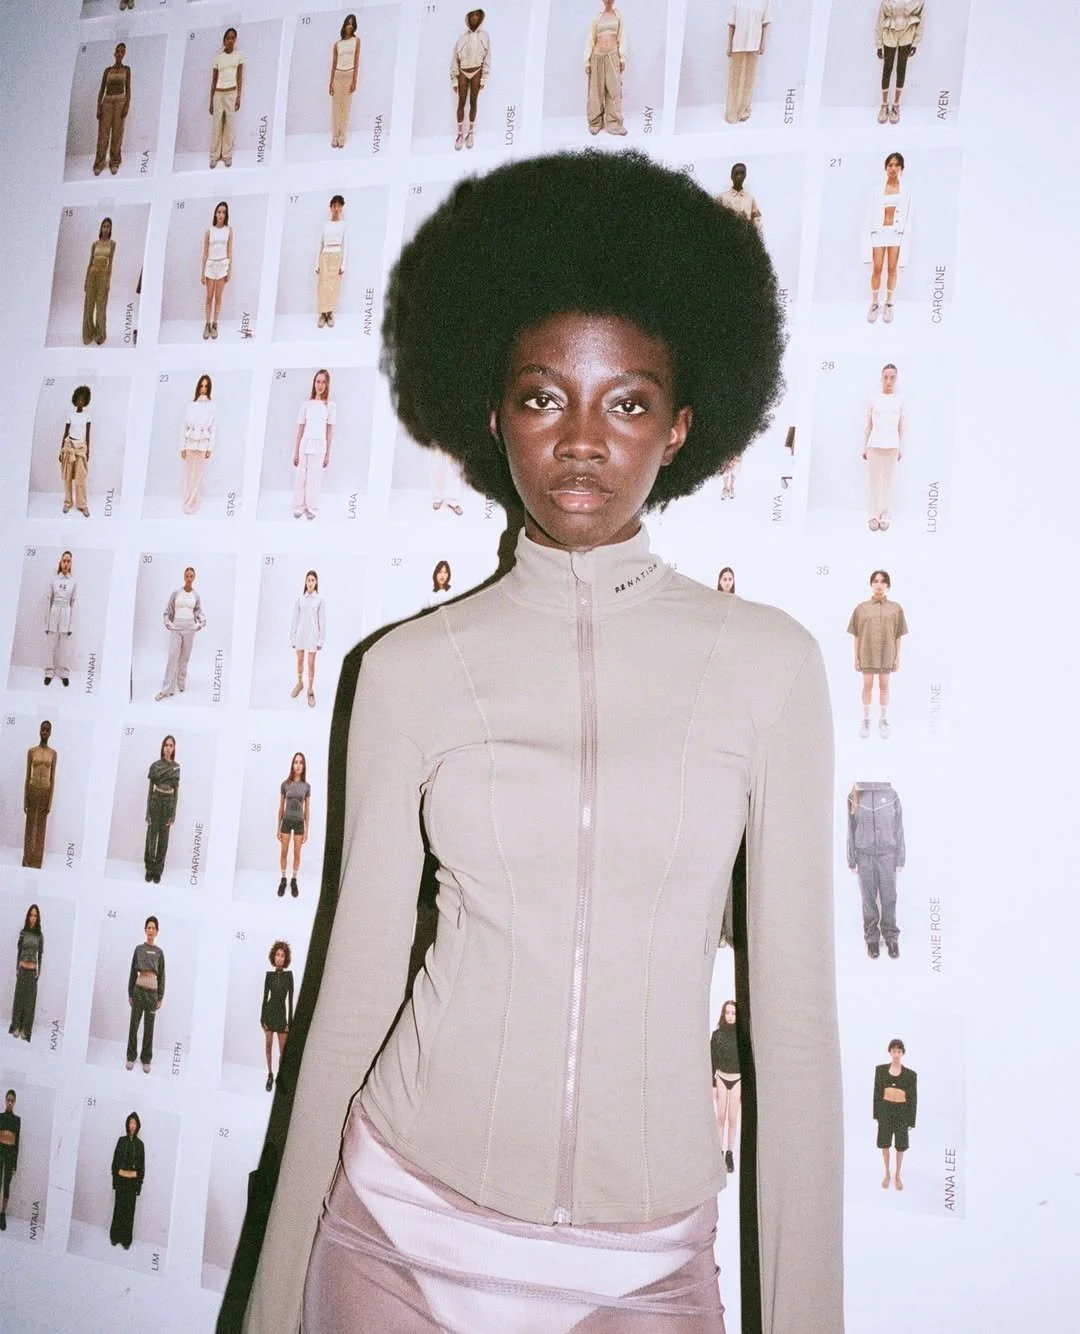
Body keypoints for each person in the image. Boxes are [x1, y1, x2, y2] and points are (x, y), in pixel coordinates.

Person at [242, 149, 842, 1334]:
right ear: (489, 412)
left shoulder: (770, 665)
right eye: (541, 394)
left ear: (679, 426)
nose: (581, 439)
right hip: (391, 1235)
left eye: (625, 400)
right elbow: (351, 998)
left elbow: (800, 1030)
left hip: (642, 1269)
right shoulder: (404, 671)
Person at [847, 569, 908, 739]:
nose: (878, 584)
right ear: (871, 584)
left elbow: (898, 635)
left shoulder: (895, 609)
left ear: (887, 585)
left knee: (884, 686)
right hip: (866, 652)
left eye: (882, 581)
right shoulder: (861, 608)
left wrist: (897, 657)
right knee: (867, 685)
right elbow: (857, 635)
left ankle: (883, 719)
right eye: (875, 581)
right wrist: (856, 657)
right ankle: (866, 719)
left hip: (887, 652)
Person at [847, 782, 905, 959]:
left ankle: (891, 937)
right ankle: (872, 938)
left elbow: (899, 828)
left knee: (889, 897)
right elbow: (850, 829)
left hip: (887, 854)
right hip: (864, 855)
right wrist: (851, 860)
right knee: (868, 898)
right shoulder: (854, 795)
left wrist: (900, 857)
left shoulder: (891, 794)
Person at [865, 152, 912, 324]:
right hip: (879, 232)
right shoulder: (876, 190)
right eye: (890, 165)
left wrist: (903, 233)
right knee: (877, 268)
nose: (893, 168)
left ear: (901, 168)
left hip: (895, 233)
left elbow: (908, 216)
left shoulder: (905, 191)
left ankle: (889, 303)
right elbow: (869, 215)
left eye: (896, 165)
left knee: (892, 268)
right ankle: (875, 302)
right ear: (886, 168)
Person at [863, 362, 904, 530]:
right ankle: (873, 516)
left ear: (896, 379)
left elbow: (900, 426)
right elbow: (868, 425)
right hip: (874, 446)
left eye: (892, 377)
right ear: (881, 378)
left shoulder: (899, 401)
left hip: (892, 447)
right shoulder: (874, 400)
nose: (888, 380)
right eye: (885, 377)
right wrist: (864, 447)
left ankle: (885, 515)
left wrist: (900, 448)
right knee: (874, 482)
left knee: (888, 482)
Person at [156, 567, 206, 700]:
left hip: (189, 628)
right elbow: (168, 610)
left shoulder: (196, 595)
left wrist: (200, 623)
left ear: (194, 578)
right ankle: (167, 689)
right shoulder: (176, 593)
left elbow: (199, 611)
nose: (189, 579)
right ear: (184, 577)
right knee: (173, 657)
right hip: (176, 628)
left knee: (184, 657)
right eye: (187, 576)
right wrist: (168, 623)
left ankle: (181, 682)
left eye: (191, 576)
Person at [873, 1039, 917, 1190]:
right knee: (884, 1144)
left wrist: (911, 1121)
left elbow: (913, 1098)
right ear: (890, 1052)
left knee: (900, 1146)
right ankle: (887, 1173)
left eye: (899, 1051)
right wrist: (877, 1115)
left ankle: (898, 1174)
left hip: (902, 1112)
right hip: (885, 1110)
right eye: (894, 1051)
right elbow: (877, 1094)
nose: (896, 1054)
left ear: (902, 1053)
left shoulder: (910, 1075)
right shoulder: (880, 1070)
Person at [293, 370, 335, 520]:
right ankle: (299, 506)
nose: (320, 385)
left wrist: (328, 454)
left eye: (324, 382)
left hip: (319, 447)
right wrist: (296, 452)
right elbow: (300, 430)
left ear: (327, 384)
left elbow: (329, 432)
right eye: (318, 381)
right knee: (301, 477)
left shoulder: (330, 406)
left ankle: (312, 507)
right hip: (305, 444)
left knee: (314, 478)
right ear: (314, 383)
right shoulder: (306, 405)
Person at [876, 1, 924, 124]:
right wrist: (878, 45)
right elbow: (880, 20)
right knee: (887, 69)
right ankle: (884, 105)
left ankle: (896, 105)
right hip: (889, 34)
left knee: (901, 69)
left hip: (907, 34)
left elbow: (922, 21)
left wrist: (915, 43)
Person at [126, 917, 164, 1073]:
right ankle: (130, 1056)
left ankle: (146, 1059)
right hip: (139, 991)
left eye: (153, 928)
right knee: (133, 1026)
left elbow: (162, 976)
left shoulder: (159, 952)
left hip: (152, 994)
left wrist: (160, 997)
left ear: (156, 931)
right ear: (145, 929)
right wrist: (130, 993)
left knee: (149, 1028)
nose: (150, 930)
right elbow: (132, 972)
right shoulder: (138, 949)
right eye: (148, 927)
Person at [585, 1, 627, 136]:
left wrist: (622, 58)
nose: (608, 0)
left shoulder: (618, 16)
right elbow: (591, 39)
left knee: (614, 90)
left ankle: (614, 124)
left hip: (612, 56)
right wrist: (587, 61)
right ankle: (595, 123)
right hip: (597, 57)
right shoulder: (597, 17)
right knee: (595, 92)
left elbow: (622, 37)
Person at [451, 9, 490, 150]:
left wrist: (484, 78)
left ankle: (471, 133)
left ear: (480, 18)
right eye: (472, 15)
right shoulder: (461, 38)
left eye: (477, 16)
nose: (474, 18)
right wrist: (454, 79)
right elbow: (454, 60)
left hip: (477, 72)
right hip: (462, 72)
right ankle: (460, 134)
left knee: (473, 102)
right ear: (468, 18)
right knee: (461, 103)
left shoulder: (484, 37)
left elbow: (487, 58)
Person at [726, 2, 771, 124]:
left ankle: (744, 110)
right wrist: (729, 45)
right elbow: (731, 24)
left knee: (749, 80)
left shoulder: (765, 2)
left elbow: (764, 25)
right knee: (734, 80)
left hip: (754, 44)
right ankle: (732, 112)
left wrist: (763, 44)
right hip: (738, 43)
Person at [710, 1000, 741, 1174]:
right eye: (727, 1012)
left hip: (737, 1079)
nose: (730, 1016)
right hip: (721, 1078)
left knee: (733, 1119)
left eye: (733, 1013)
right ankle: (718, 1152)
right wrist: (713, 1084)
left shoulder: (742, 1036)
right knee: (720, 1117)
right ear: (723, 1014)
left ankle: (729, 1153)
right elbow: (712, 1061)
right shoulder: (717, 1035)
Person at [144, 736, 180, 885]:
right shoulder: (155, 766)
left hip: (168, 804)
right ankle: (149, 868)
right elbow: (150, 790)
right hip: (156, 801)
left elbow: (176, 791)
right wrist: (148, 811)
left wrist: (173, 813)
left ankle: (158, 870)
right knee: (152, 838)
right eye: (166, 745)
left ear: (174, 749)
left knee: (163, 840)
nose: (168, 748)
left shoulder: (177, 767)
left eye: (171, 745)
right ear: (162, 747)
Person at [22, 722, 57, 870]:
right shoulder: (32, 751)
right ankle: (27, 859)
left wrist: (50, 802)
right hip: (33, 788)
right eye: (42, 729)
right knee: (30, 825)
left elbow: (52, 779)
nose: (44, 732)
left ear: (50, 733)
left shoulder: (53, 754)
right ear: (39, 731)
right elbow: (27, 775)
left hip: (45, 790)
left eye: (47, 730)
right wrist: (25, 799)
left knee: (41, 826)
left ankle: (37, 860)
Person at [262, 941, 295, 1092]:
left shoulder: (289, 976)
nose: (279, 958)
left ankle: (280, 1077)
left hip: (282, 1016)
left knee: (283, 1051)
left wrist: (290, 1021)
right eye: (277, 955)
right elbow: (265, 998)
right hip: (269, 1014)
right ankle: (270, 1075)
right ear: (273, 957)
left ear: (285, 958)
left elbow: (290, 1000)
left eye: (282, 955)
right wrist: (262, 1018)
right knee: (268, 1046)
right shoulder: (269, 976)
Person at [181, 375, 216, 514]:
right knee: (189, 474)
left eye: (206, 386)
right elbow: (183, 427)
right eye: (201, 385)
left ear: (209, 388)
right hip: (190, 443)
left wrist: (210, 448)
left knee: (199, 475)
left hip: (202, 443)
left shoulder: (212, 406)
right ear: (198, 387)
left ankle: (194, 502)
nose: (203, 388)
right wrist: (182, 447)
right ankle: (187, 500)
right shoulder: (191, 405)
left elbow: (213, 429)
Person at [277, 753, 311, 898]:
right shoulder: (285, 784)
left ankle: (294, 880)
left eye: (301, 762)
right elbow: (281, 807)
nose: (298, 765)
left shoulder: (306, 786)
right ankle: (284, 879)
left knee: (297, 853)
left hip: (299, 824)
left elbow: (307, 809)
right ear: (292, 765)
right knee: (284, 852)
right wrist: (278, 827)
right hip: (286, 821)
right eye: (295, 762)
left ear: (303, 766)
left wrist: (307, 829)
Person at [209, 28, 244, 169]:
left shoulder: (239, 56)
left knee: (229, 125)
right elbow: (214, 80)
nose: (230, 40)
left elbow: (239, 77)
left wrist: (238, 96)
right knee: (217, 125)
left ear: (235, 39)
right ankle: (214, 156)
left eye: (233, 38)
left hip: (231, 94)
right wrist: (211, 101)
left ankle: (227, 156)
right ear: (224, 40)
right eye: (228, 38)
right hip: (218, 94)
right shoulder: (217, 58)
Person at [94, 43, 130, 176]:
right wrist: (98, 106)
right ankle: (99, 163)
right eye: (118, 51)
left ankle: (114, 162)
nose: (120, 53)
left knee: (117, 134)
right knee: (103, 134)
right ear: (114, 53)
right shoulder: (107, 70)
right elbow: (102, 89)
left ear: (124, 54)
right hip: (107, 102)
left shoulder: (127, 69)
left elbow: (128, 89)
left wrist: (127, 105)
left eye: (122, 51)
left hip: (120, 101)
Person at [290, 572, 326, 706]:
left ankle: (310, 690)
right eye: (308, 580)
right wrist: (292, 637)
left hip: (313, 636)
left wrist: (320, 639)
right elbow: (294, 619)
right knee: (299, 660)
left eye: (313, 580)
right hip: (300, 635)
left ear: (316, 582)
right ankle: (300, 683)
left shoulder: (319, 600)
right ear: (305, 582)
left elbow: (322, 621)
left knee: (311, 664)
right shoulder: (300, 599)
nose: (310, 582)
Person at [109, 1112, 145, 1248]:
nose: (132, 1125)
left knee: (129, 1211)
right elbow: (115, 1161)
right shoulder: (121, 1141)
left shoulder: (140, 1145)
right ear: (127, 1124)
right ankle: (115, 1237)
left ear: (138, 1125)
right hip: (121, 1182)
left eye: (135, 1123)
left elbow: (142, 1166)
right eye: (130, 1122)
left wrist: (138, 1184)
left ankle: (126, 1240)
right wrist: (116, 1177)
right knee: (118, 1208)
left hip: (132, 1184)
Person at [8, 906, 43, 1043]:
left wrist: (38, 972)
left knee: (29, 1002)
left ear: (37, 918)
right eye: (31, 915)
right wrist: (17, 967)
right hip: (22, 970)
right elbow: (19, 951)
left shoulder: (40, 936)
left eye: (35, 916)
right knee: (19, 999)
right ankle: (16, 1026)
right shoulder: (23, 933)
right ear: (28, 916)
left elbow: (40, 955)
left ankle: (25, 1029)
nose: (33, 918)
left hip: (32, 971)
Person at [44, 550, 77, 687]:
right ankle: (49, 672)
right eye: (64, 560)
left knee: (64, 646)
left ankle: (64, 673)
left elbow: (74, 603)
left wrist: (71, 625)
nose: (66, 563)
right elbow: (48, 600)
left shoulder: (73, 582)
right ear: (60, 562)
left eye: (69, 561)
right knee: (51, 645)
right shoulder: (54, 580)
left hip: (66, 613)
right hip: (54, 611)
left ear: (71, 564)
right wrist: (47, 623)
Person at [201, 202, 232, 341]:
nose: (221, 215)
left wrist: (229, 269)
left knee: (218, 298)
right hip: (210, 266)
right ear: (215, 213)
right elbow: (205, 253)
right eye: (219, 212)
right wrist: (202, 272)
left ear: (226, 215)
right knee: (209, 297)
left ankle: (215, 324)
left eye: (223, 212)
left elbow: (230, 250)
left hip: (222, 266)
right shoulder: (209, 231)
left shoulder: (229, 230)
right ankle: (207, 324)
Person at [59, 385, 93, 516]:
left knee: (80, 479)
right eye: (78, 399)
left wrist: (87, 451)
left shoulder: (88, 416)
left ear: (86, 401)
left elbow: (88, 434)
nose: (80, 402)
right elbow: (65, 432)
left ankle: (82, 505)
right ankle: (67, 503)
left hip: (80, 449)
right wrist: (61, 450)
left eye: (83, 400)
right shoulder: (70, 415)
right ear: (75, 400)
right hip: (69, 447)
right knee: (67, 478)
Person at [82, 217, 115, 346]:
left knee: (101, 307)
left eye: (108, 226)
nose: (106, 228)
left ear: (111, 228)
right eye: (104, 226)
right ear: (101, 228)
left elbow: (110, 264)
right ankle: (88, 334)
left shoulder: (112, 244)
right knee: (89, 306)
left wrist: (108, 281)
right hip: (91, 276)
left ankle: (100, 335)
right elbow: (90, 262)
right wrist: (86, 280)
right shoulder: (95, 244)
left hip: (103, 277)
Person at [315, 198, 347, 329]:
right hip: (325, 256)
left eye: (339, 206)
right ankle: (322, 314)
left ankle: (330, 313)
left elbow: (346, 245)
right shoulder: (325, 225)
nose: (336, 209)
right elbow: (319, 244)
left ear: (341, 208)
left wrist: (343, 264)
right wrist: (317, 263)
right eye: (334, 206)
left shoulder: (343, 225)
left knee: (334, 286)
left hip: (337, 256)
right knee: (323, 285)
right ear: (330, 207)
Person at [329, 14, 360, 148]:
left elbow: (356, 62)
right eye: (348, 23)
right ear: (344, 25)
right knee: (336, 108)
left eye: (352, 24)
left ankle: (342, 136)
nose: (350, 26)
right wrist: (330, 82)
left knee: (345, 107)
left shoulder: (356, 41)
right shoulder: (337, 44)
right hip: (337, 76)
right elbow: (334, 64)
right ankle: (335, 136)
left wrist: (354, 81)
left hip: (349, 75)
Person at [716, 162, 763, 230]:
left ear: (745, 175)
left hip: (745, 236)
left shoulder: (750, 199)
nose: (739, 176)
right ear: (731, 176)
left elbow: (757, 220)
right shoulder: (722, 197)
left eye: (742, 173)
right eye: (736, 173)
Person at [0, 1090, 19, 1232]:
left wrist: (15, 1165)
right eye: (8, 1100)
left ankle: (3, 1214)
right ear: (5, 1100)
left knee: (6, 1185)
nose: (10, 1102)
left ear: (15, 1102)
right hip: (0, 1152)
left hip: (10, 1155)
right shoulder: (0, 1117)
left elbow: (16, 1143)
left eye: (12, 1100)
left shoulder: (17, 1120)